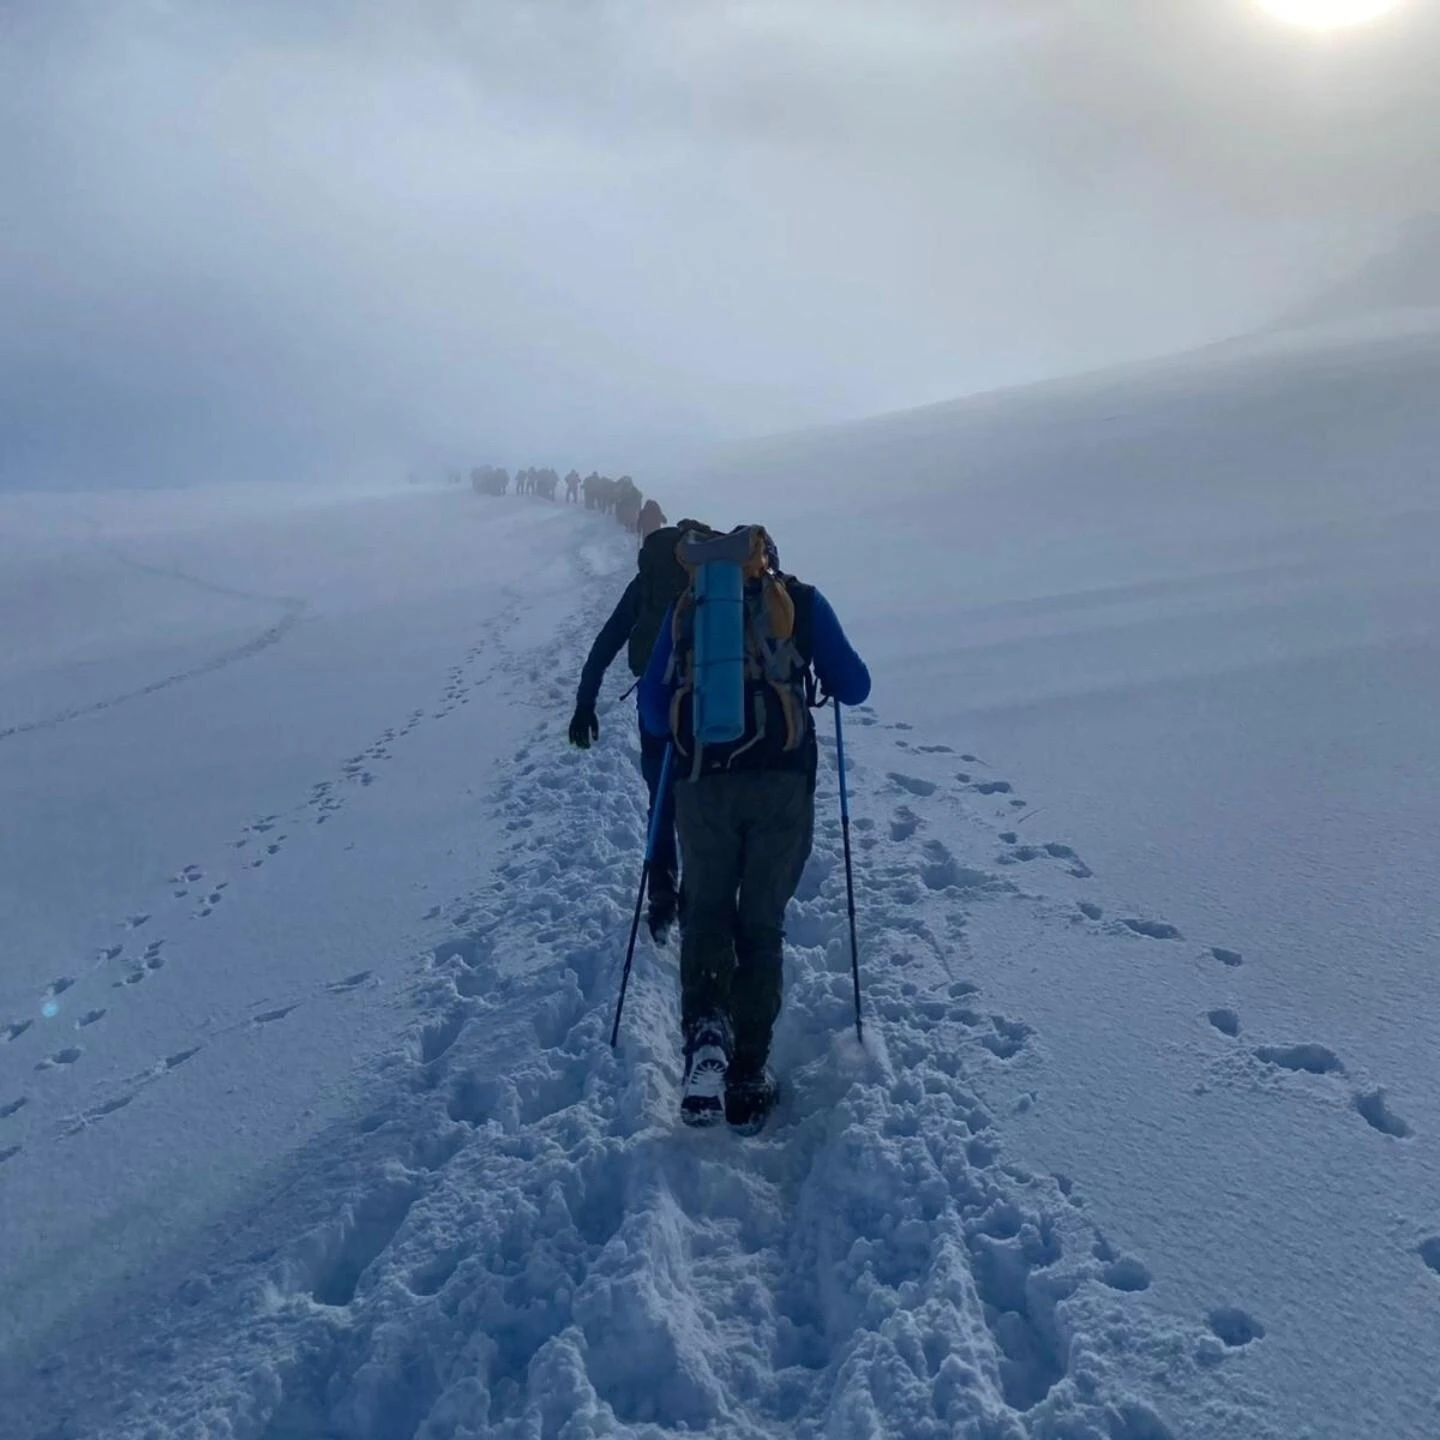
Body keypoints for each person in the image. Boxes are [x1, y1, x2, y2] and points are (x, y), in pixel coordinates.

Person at [639, 524, 871, 1130]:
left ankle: (707, 1036)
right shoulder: (799, 601)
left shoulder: (687, 609)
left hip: (700, 782)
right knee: (761, 924)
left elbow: (651, 710)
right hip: (782, 786)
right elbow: (856, 685)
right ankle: (747, 1074)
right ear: (766, 560)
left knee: (706, 911)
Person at [568, 520, 710, 941]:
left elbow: (608, 639)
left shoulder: (647, 581)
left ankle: (663, 898)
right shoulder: (720, 582)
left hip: (658, 702)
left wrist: (585, 703)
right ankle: (705, 898)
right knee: (707, 802)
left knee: (662, 796)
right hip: (713, 705)